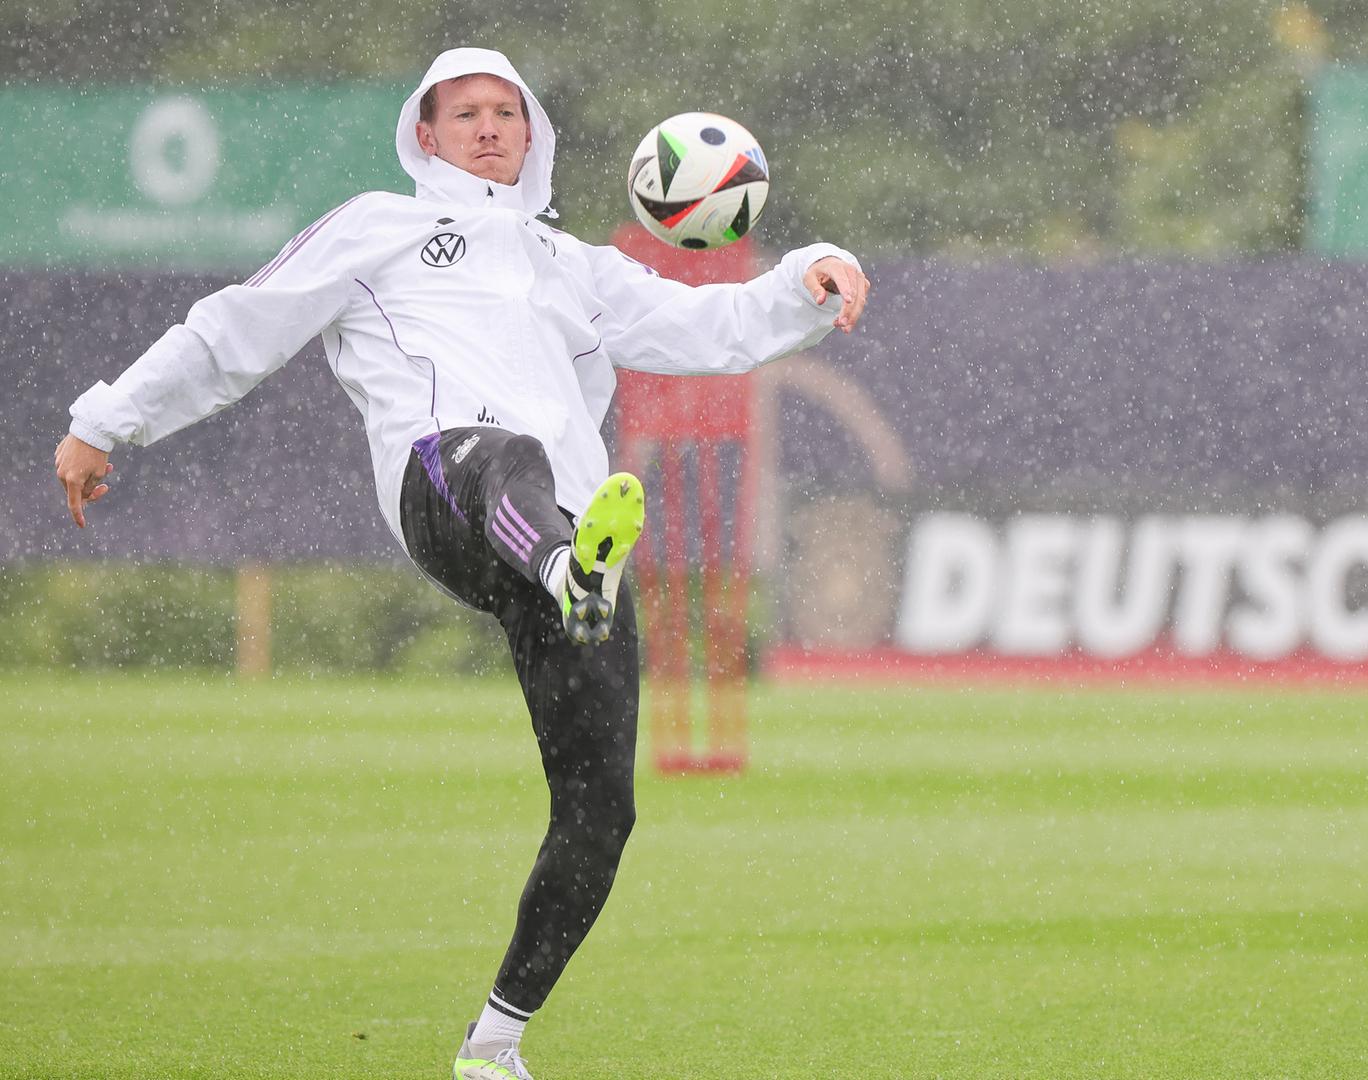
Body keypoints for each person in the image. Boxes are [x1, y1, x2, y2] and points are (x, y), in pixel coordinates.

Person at [51, 47, 870, 1080]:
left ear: (531, 134)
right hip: (445, 490)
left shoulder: (573, 266)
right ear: (425, 136)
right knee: (503, 453)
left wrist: (809, 275)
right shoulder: (376, 227)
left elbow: (714, 324)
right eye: (464, 113)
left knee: (600, 811)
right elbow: (232, 331)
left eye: (505, 112)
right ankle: (572, 566)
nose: (488, 126)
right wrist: (106, 422)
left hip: (568, 540)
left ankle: (495, 1043)